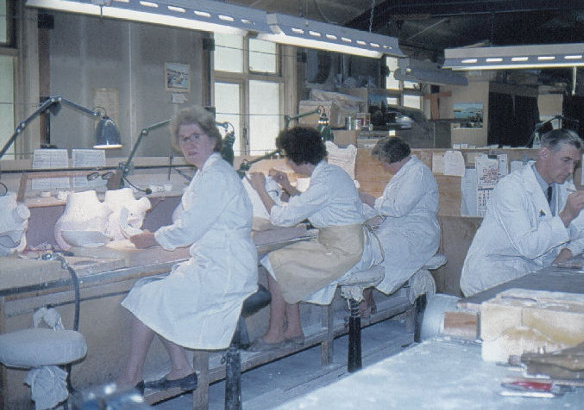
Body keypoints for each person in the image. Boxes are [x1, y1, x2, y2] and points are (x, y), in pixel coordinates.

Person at [117, 106, 258, 392]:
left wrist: (154, 238)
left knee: (149, 295)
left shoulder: (215, 175)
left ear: (213, 140)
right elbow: (185, 217)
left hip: (226, 272)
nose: (190, 144)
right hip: (218, 264)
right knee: (149, 289)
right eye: (184, 139)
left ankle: (130, 380)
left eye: (196, 136)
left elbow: (190, 228)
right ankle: (180, 368)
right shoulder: (205, 174)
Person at [246, 126, 368, 348]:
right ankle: (293, 329)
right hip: (340, 241)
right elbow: (316, 205)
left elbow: (283, 218)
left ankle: (275, 333)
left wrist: (261, 189)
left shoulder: (324, 182)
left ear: (297, 159)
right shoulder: (331, 174)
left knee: (275, 262)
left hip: (342, 249)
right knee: (284, 259)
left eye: (286, 156)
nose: (286, 160)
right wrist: (288, 187)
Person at [460, 129, 584, 297]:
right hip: (493, 275)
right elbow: (529, 247)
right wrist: (566, 216)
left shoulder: (563, 187)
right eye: (566, 160)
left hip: (531, 274)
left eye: (575, 163)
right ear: (544, 153)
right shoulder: (511, 188)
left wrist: (567, 252)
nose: (571, 170)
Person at [358, 137, 440, 317]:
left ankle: (365, 296)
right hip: (399, 226)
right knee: (366, 245)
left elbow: (399, 208)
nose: (383, 167)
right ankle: (364, 296)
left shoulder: (418, 173)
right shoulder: (404, 174)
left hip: (418, 232)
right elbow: (390, 208)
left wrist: (368, 199)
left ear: (393, 159)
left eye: (384, 163)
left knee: (379, 250)